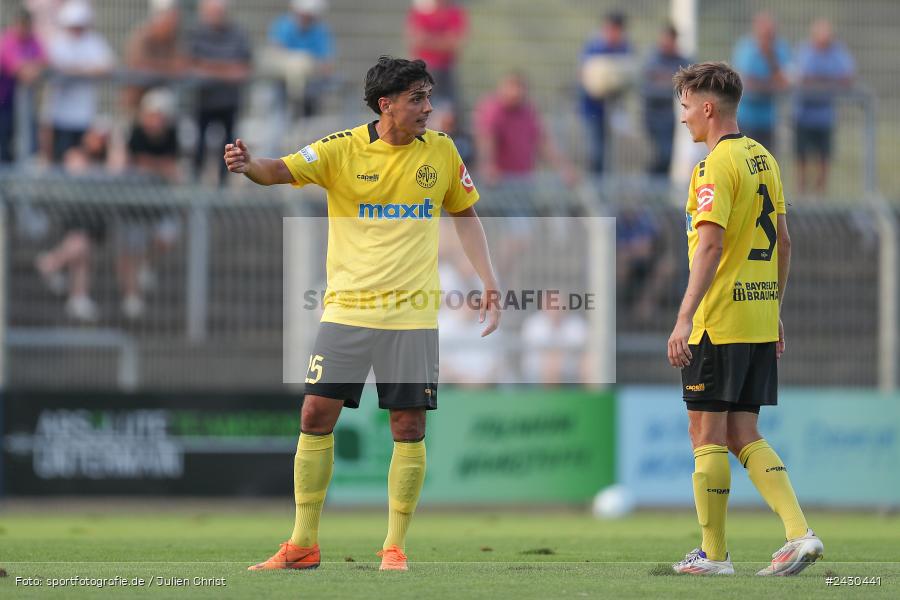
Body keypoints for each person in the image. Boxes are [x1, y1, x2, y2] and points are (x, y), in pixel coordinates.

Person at [225, 56, 500, 572]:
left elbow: (465, 214)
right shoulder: (339, 149)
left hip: (412, 315)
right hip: (347, 311)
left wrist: (489, 279)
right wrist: (248, 164)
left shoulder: (441, 151)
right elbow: (279, 170)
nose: (427, 107)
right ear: (386, 104)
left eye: (428, 96)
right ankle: (303, 544)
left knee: (408, 423)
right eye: (417, 98)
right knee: (314, 415)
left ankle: (394, 547)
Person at [668, 62, 823, 576]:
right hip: (757, 315)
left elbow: (709, 245)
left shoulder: (713, 167)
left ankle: (713, 556)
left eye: (687, 106)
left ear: (708, 108)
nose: (684, 117)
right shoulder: (765, 158)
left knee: (706, 433)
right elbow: (785, 242)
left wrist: (685, 317)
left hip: (721, 318)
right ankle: (799, 534)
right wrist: (774, 308)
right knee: (742, 432)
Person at [186, 0, 251, 185]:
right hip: (203, 102)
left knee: (229, 149)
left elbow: (243, 68)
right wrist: (226, 71)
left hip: (229, 102)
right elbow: (192, 65)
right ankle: (195, 184)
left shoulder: (237, 34)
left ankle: (222, 187)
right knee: (199, 147)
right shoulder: (196, 34)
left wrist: (211, 69)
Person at [41, 0, 115, 163]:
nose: (76, 30)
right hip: (59, 115)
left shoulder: (93, 41)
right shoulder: (57, 42)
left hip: (84, 115)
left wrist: (77, 71)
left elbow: (107, 66)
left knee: (83, 159)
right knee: (58, 158)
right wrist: (82, 71)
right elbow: (52, 66)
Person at [793, 19, 855, 195]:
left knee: (824, 159)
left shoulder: (838, 52)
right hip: (804, 116)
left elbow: (846, 77)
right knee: (802, 157)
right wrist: (828, 82)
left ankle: (821, 196)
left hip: (825, 118)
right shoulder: (805, 51)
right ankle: (801, 194)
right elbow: (802, 77)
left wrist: (819, 82)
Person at [579, 11, 632, 174]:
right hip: (593, 110)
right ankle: (595, 190)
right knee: (596, 153)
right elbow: (586, 77)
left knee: (615, 155)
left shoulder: (625, 49)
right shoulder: (593, 47)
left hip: (615, 109)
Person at [267, 0, 336, 118]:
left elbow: (326, 61)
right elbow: (276, 51)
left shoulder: (320, 30)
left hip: (312, 81)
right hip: (283, 80)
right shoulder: (284, 25)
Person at [732, 12, 790, 152]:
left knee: (766, 164)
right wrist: (769, 84)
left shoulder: (780, 49)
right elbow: (745, 82)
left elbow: (784, 83)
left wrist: (769, 56)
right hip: (745, 119)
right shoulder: (745, 47)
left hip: (768, 121)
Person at [641, 24, 689, 176]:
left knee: (666, 155)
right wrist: (670, 79)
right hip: (651, 114)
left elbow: (687, 78)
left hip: (668, 115)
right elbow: (648, 84)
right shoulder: (651, 57)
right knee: (654, 155)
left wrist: (663, 78)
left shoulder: (681, 59)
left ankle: (658, 191)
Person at [0, 8, 46, 163]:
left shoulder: (33, 40)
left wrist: (32, 69)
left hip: (20, 104)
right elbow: (17, 69)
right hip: (3, 103)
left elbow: (44, 61)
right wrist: (31, 69)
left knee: (23, 145)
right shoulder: (7, 41)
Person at [122, 0, 183, 114]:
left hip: (163, 97)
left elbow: (180, 66)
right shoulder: (141, 36)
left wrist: (156, 66)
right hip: (137, 99)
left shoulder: (174, 39)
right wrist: (167, 68)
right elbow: (138, 65)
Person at [406, 0, 467, 106]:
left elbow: (453, 44)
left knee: (448, 109)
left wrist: (429, 40)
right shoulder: (420, 12)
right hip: (423, 69)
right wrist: (443, 41)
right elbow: (417, 39)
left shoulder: (454, 13)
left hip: (446, 70)